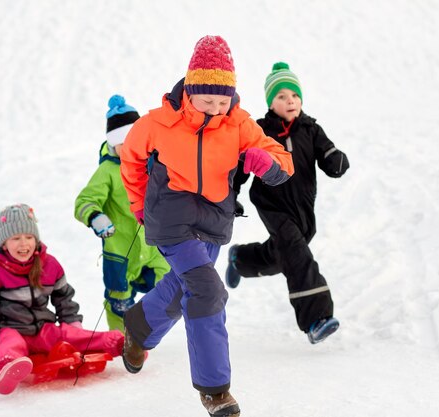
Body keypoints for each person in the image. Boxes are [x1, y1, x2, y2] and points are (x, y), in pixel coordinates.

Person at [119, 36, 294, 417]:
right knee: (207, 292)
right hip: (171, 219)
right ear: (190, 93)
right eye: (207, 101)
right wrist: (138, 205)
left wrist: (268, 163)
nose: (216, 109)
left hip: (213, 222)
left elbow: (282, 159)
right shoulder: (158, 123)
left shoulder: (238, 123)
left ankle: (139, 326)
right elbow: (130, 160)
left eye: (222, 101)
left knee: (185, 289)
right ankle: (215, 391)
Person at [227, 62, 350, 345]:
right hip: (272, 203)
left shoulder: (311, 129)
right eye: (281, 96)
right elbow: (241, 166)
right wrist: (231, 196)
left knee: (285, 254)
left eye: (294, 95)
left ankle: (241, 260)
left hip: (303, 207)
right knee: (296, 253)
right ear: (271, 102)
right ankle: (316, 318)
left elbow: (328, 154)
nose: (289, 101)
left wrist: (336, 161)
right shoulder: (260, 131)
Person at [0, 203, 124, 395]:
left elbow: (64, 299)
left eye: (29, 237)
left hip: (43, 329)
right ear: (4, 243)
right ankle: (7, 365)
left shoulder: (49, 265)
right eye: (16, 238)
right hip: (11, 329)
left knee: (73, 336)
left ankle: (120, 344)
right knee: (10, 344)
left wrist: (72, 327)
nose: (23, 244)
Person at [74, 95, 170, 331]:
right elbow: (85, 201)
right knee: (119, 297)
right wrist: (96, 216)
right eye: (123, 143)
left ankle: (148, 327)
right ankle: (120, 337)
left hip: (153, 246)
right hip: (120, 249)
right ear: (113, 144)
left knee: (168, 284)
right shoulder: (107, 171)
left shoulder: (155, 164)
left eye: (135, 141)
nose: (130, 149)